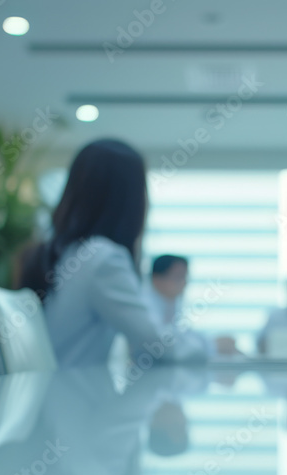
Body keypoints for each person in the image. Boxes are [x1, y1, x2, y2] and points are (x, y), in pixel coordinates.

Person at [19, 139, 209, 367]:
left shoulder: (63, 251)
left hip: (60, 393)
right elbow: (154, 343)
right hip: (74, 396)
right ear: (131, 200)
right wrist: (211, 348)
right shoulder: (103, 259)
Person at [145, 254, 240, 355]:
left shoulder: (171, 303)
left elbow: (185, 334)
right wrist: (213, 346)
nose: (184, 283)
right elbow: (165, 345)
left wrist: (214, 343)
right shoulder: (145, 306)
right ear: (157, 279)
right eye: (178, 277)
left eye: (185, 277)